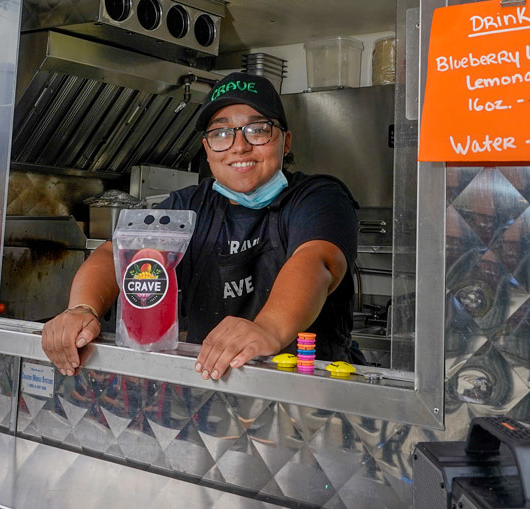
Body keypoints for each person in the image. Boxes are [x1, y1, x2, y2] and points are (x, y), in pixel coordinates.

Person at [42, 71, 360, 380]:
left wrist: (267, 329)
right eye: (221, 133)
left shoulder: (317, 197)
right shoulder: (187, 206)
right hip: (210, 386)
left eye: (257, 129)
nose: (239, 146)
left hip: (306, 390)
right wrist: (82, 309)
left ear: (285, 141)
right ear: (207, 150)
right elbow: (116, 254)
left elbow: (316, 261)